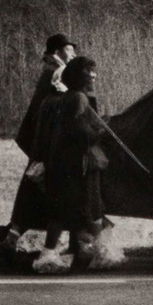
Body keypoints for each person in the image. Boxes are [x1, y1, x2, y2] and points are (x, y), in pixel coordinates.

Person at [0, 33, 74, 253]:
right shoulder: (57, 72)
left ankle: (12, 237)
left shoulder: (50, 70)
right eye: (69, 49)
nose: (73, 53)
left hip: (42, 143)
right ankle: (18, 240)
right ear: (58, 51)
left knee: (33, 192)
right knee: (47, 192)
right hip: (49, 146)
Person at [39, 55, 112, 271]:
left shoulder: (69, 97)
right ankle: (99, 253)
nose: (94, 76)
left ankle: (55, 252)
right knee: (90, 207)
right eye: (89, 72)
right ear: (80, 76)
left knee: (64, 209)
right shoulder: (79, 98)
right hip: (79, 164)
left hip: (65, 162)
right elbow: (80, 133)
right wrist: (101, 129)